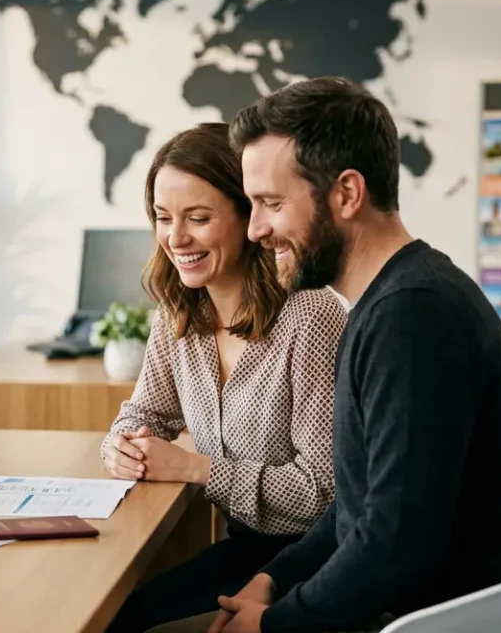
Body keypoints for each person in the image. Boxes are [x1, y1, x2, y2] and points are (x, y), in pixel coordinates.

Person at [154, 77, 501, 633]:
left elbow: (396, 542)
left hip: (445, 616)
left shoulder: (412, 316)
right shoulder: (388, 302)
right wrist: (274, 578)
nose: (257, 230)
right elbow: (360, 506)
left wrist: (274, 622)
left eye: (272, 203)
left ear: (347, 194)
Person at [101, 123, 348, 632]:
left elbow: (323, 493)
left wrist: (197, 469)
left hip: (311, 562)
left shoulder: (310, 316)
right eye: (163, 218)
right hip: (243, 546)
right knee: (116, 610)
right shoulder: (179, 315)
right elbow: (147, 411)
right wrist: (119, 444)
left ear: (249, 217)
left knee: (132, 621)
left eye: (198, 218)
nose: (176, 238)